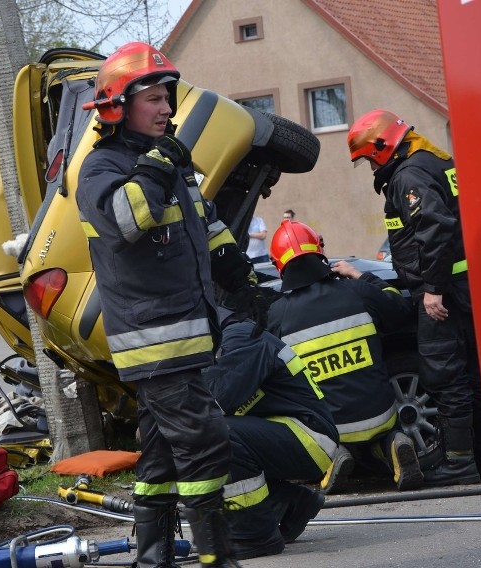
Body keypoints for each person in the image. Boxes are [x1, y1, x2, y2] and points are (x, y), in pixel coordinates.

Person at [76, 42, 269, 568]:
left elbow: (203, 225)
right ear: (118, 106)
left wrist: (241, 277)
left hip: (186, 335)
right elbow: (127, 220)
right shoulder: (102, 168)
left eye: (168, 98)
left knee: (161, 452)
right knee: (205, 444)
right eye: (155, 99)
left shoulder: (169, 165)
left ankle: (154, 556)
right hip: (154, 340)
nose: (166, 109)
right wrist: (160, 166)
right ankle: (216, 557)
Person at [346, 109, 481, 485]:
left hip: (443, 295)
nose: (368, 167)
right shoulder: (435, 161)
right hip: (467, 288)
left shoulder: (409, 174)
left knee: (446, 377)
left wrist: (433, 289)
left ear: (379, 149)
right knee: (474, 376)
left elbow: (435, 226)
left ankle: (459, 463)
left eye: (366, 159)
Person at [266, 219, 424, 493]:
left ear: (278, 264)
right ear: (320, 250)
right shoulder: (356, 291)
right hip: (380, 415)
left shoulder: (276, 315)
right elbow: (400, 308)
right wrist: (362, 276)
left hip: (329, 426)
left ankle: (331, 455)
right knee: (380, 432)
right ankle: (391, 442)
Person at [202, 308, 337, 560]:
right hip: (290, 434)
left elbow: (216, 400)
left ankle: (254, 536)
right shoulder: (228, 337)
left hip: (309, 438)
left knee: (215, 433)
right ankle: (288, 503)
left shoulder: (242, 338)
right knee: (194, 436)